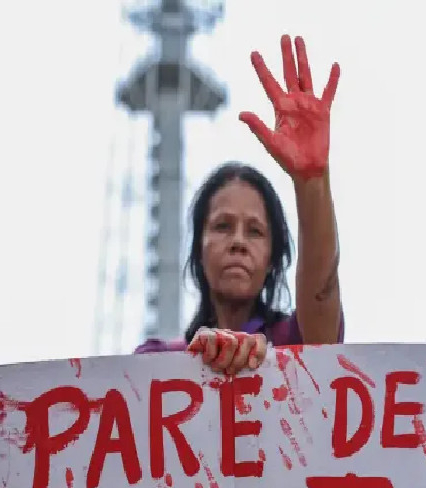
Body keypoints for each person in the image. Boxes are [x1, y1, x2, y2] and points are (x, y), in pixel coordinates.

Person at [135, 34, 343, 375]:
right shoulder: (155, 362)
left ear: (274, 259)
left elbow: (322, 296)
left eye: (256, 231)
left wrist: (312, 182)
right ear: (198, 249)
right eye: (222, 225)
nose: (238, 242)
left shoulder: (297, 345)